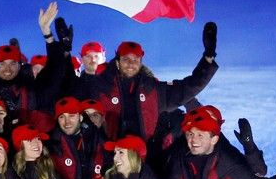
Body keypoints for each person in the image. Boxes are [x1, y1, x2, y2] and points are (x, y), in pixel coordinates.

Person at [88, 23, 219, 141]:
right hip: (108, 154)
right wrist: (66, 53)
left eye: (135, 60)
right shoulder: (100, 86)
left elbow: (188, 88)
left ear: (140, 62)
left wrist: (208, 59)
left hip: (144, 157)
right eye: (126, 59)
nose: (131, 64)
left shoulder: (152, 90)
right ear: (117, 62)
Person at [0, 2, 69, 132]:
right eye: (2, 64)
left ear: (20, 66)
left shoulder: (32, 89)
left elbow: (55, 71)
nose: (8, 69)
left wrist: (47, 33)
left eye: (13, 63)